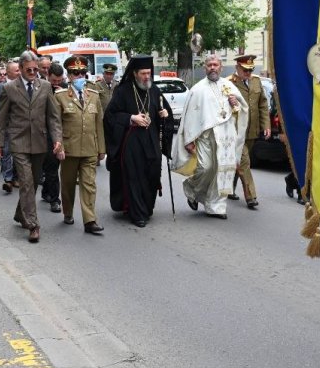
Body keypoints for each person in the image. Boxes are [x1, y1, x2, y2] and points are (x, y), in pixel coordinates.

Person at [0, 50, 63, 243]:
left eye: (35, 69)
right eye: (29, 70)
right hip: (19, 142)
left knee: (32, 182)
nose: (33, 72)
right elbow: (1, 118)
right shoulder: (9, 88)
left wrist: (57, 139)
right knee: (26, 181)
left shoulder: (46, 86)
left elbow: (53, 117)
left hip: (40, 142)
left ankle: (20, 214)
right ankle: (33, 224)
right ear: (21, 69)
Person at [173, 54, 248, 220]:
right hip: (205, 137)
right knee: (206, 168)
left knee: (222, 169)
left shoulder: (229, 86)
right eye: (209, 65)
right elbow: (189, 117)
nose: (212, 68)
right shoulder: (197, 89)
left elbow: (243, 109)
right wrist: (189, 140)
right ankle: (192, 189)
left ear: (221, 67)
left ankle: (216, 206)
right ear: (204, 68)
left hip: (226, 136)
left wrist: (236, 104)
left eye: (215, 65)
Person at [103, 55, 173, 227]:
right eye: (143, 73)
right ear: (135, 73)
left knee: (153, 173)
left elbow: (163, 112)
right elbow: (110, 116)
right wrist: (131, 117)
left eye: (149, 73)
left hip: (151, 141)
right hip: (131, 143)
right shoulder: (123, 90)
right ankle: (137, 213)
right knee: (134, 177)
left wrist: (165, 115)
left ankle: (147, 208)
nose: (147, 77)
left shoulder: (154, 90)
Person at [55, 56, 107, 234]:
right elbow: (57, 125)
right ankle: (68, 212)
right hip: (69, 150)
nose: (79, 76)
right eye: (75, 73)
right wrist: (59, 146)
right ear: (68, 76)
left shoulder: (93, 96)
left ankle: (89, 220)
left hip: (90, 149)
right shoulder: (60, 97)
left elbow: (98, 123)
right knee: (68, 185)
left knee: (89, 184)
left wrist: (101, 148)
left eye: (82, 73)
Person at [226, 54, 271, 210]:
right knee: (245, 162)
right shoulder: (228, 84)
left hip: (252, 130)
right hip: (236, 131)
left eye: (250, 70)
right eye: (245, 70)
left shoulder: (256, 81)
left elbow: (263, 105)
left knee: (239, 162)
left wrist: (266, 125)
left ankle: (230, 187)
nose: (248, 73)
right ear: (237, 68)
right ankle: (251, 196)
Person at [39, 62, 66, 213]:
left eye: (59, 81)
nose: (56, 83)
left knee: (53, 168)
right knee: (47, 169)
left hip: (58, 133)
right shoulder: (41, 88)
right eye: (54, 81)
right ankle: (50, 196)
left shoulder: (65, 89)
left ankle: (52, 197)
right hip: (43, 132)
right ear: (47, 76)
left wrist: (62, 94)